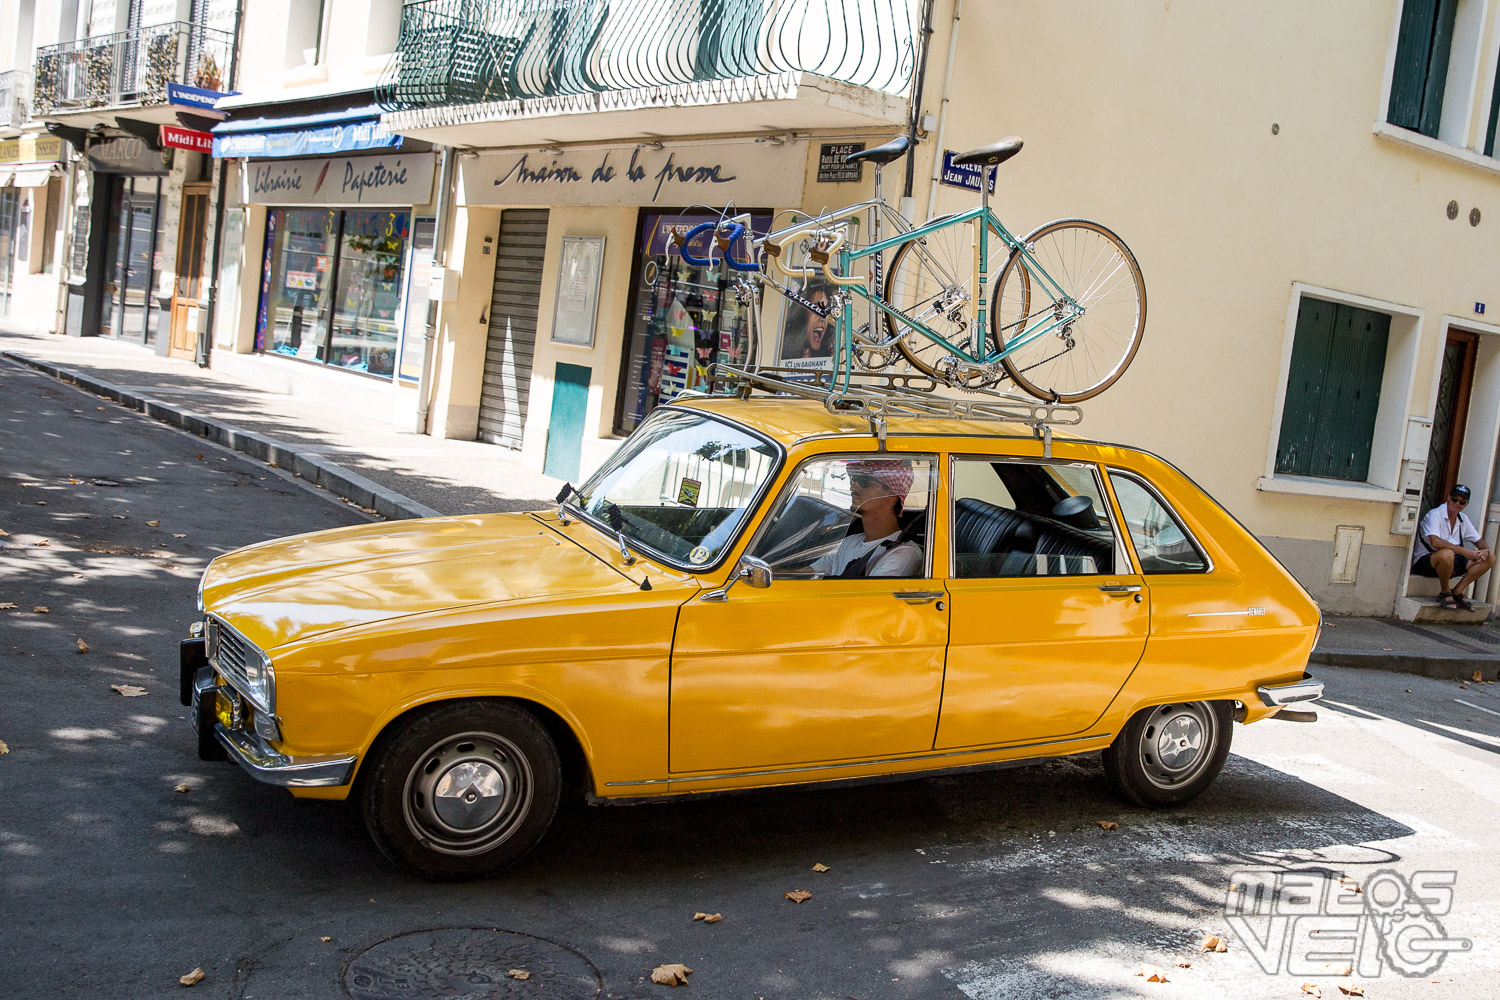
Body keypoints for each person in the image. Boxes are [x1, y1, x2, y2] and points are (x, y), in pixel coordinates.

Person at [810, 461, 923, 578]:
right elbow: (806, 574)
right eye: (853, 479)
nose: (853, 487)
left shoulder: (903, 553)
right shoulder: (849, 542)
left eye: (864, 481)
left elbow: (867, 596)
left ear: (892, 495)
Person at [1411, 483, 1495, 611]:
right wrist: (1465, 552)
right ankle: (1445, 591)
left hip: (1451, 562)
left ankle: (1458, 591)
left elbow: (1481, 542)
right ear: (1448, 498)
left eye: (1462, 502)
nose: (1457, 504)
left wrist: (1484, 551)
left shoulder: (1463, 519)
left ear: (1466, 504)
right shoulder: (1435, 514)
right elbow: (1435, 542)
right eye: (1455, 499)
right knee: (1447, 554)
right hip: (1426, 562)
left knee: (1490, 558)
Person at [781, 282, 833, 360]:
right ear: (802, 314)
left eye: (826, 310)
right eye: (816, 309)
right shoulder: (785, 349)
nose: (823, 318)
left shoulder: (827, 355)